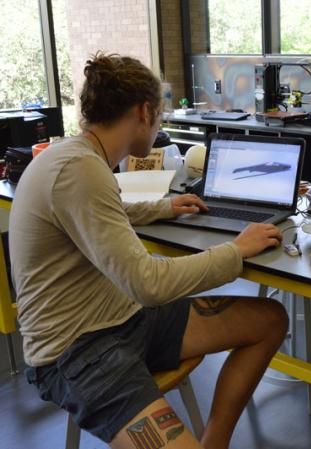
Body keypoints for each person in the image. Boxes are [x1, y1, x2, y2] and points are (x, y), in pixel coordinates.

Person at [10, 53, 288, 449]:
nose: (159, 124)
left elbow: (103, 212)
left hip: (121, 319)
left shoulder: (74, 156)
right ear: (145, 111)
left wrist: (163, 207)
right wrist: (237, 250)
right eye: (159, 115)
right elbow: (148, 284)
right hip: (77, 351)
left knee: (269, 320)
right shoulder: (80, 169)